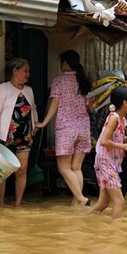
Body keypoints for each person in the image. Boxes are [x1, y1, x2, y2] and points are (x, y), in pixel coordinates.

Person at [35, 50, 91, 207]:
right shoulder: (84, 81)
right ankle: (76, 204)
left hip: (66, 130)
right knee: (76, 168)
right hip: (83, 129)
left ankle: (81, 199)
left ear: (65, 63)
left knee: (64, 168)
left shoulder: (59, 81)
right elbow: (90, 106)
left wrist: (44, 123)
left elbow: (54, 104)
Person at [0, 58, 38, 207]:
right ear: (15, 71)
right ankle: (1, 205)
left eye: (28, 71)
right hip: (5, 137)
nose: (28, 74)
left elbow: (33, 109)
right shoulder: (3, 89)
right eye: (25, 71)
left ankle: (18, 203)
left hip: (24, 137)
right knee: (1, 172)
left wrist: (35, 126)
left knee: (22, 170)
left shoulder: (29, 90)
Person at [89, 86, 127, 219]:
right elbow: (104, 141)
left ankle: (85, 222)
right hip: (105, 163)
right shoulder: (114, 118)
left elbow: (115, 139)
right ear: (124, 103)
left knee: (103, 203)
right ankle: (116, 233)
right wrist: (124, 146)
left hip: (109, 162)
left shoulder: (121, 120)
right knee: (119, 201)